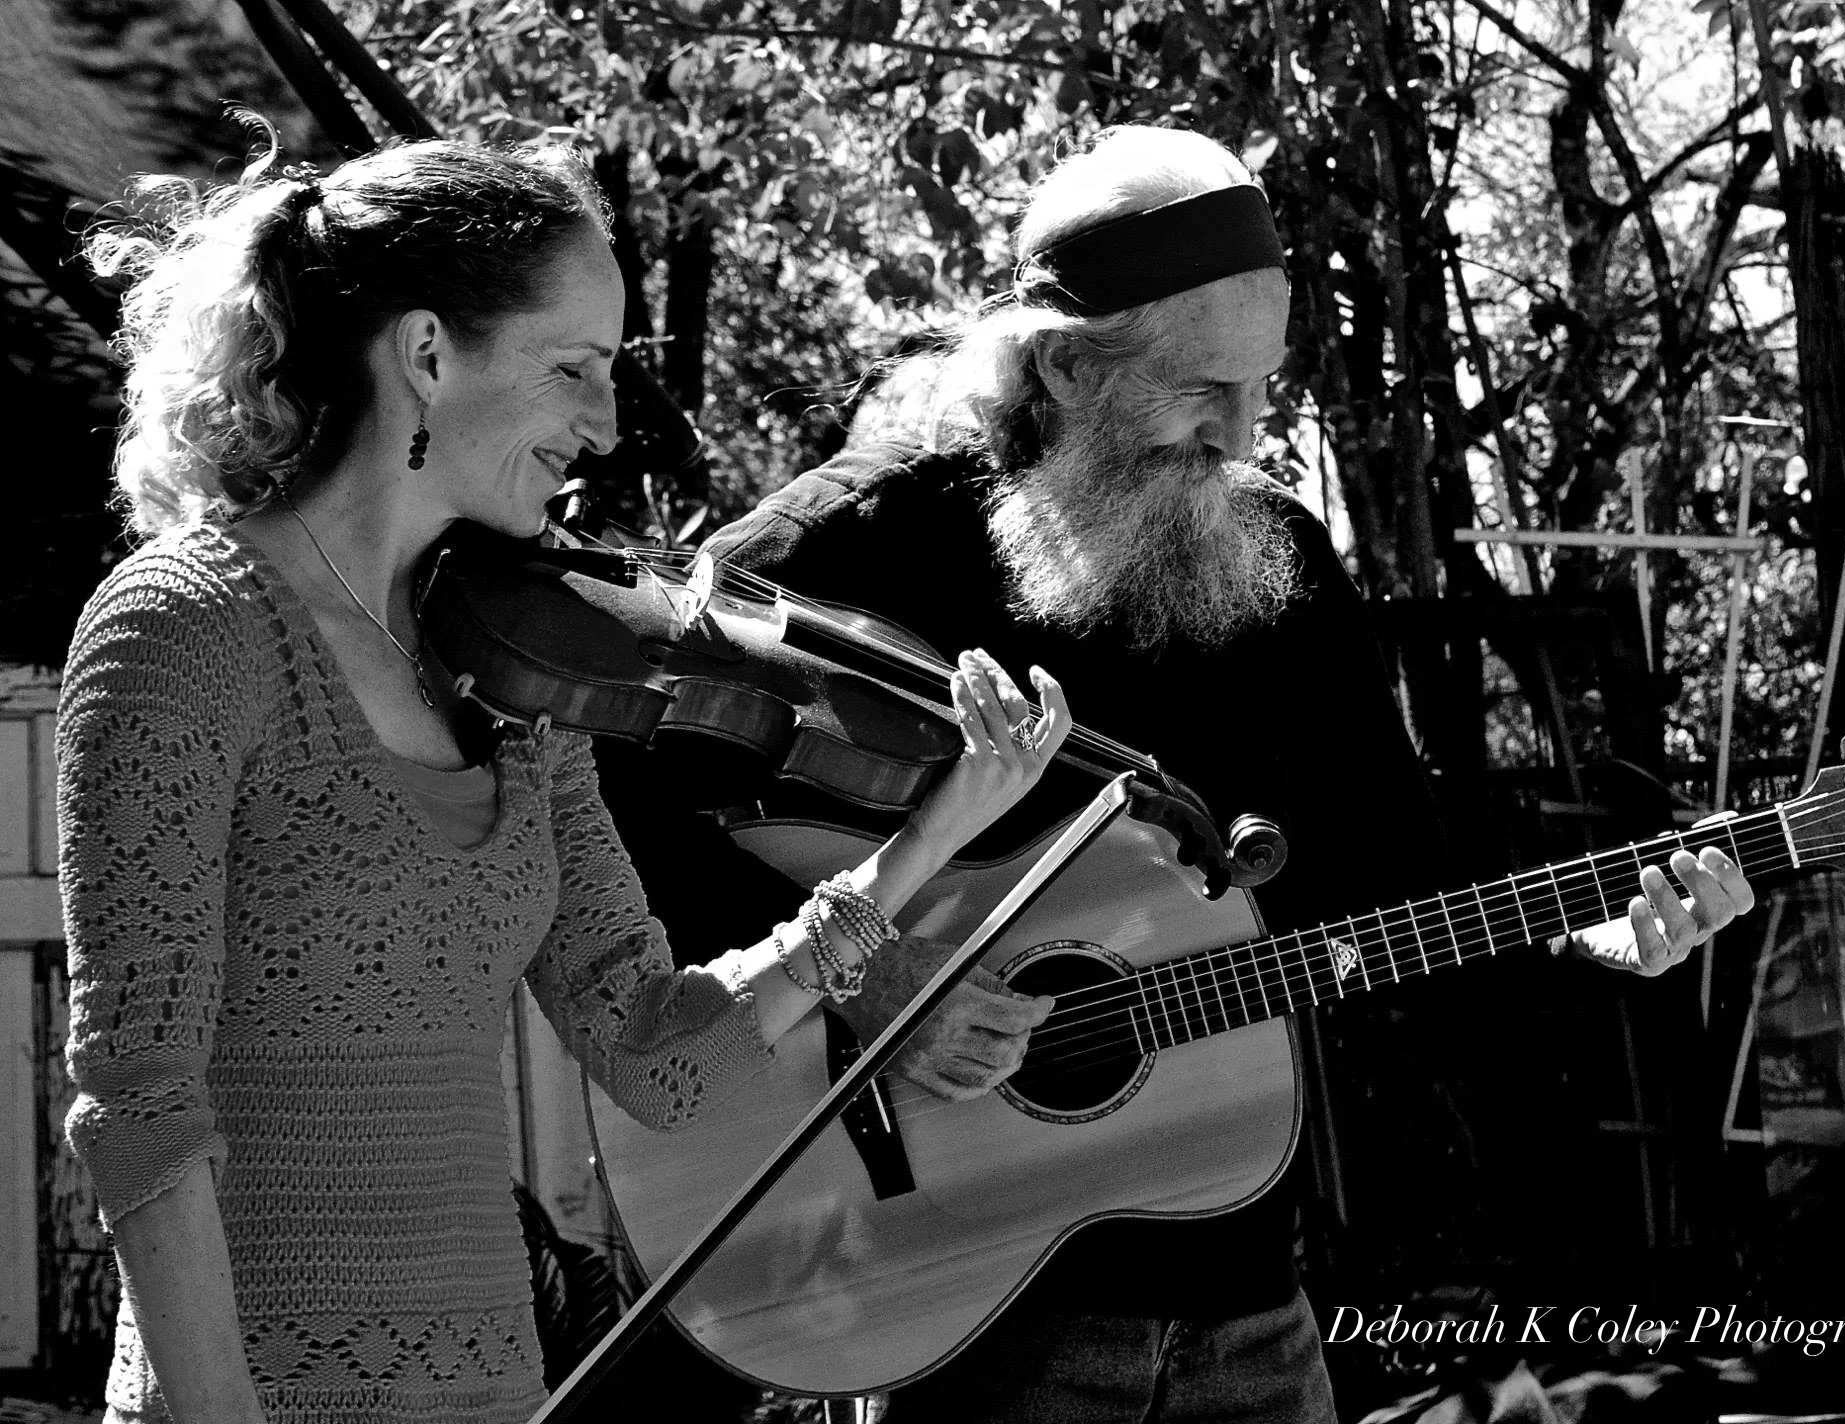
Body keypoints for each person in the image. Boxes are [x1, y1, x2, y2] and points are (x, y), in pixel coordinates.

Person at [619, 125, 1758, 1422]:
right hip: (966, 1316)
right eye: (1203, 391)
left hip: (1252, 1317)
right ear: (1063, 365)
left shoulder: (1280, 563)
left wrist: (1594, 936)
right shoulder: (865, 542)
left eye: (1265, 387)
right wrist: (871, 978)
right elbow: (612, 790)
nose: (1247, 432)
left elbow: (1397, 876)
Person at [57, 128, 1073, 1424]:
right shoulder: (179, 630)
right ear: (428, 356)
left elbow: (655, 1054)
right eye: (575, 369)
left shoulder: (511, 675)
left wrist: (929, 842)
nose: (603, 423)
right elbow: (139, 1103)